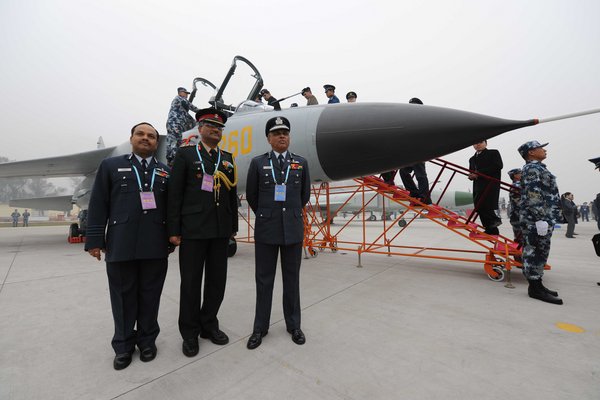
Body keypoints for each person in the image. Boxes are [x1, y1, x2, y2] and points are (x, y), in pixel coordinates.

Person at [85, 122, 171, 370]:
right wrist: (94, 241)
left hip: (155, 245)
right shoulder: (111, 166)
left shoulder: (165, 171)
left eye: (151, 136)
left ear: (156, 142)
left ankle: (147, 341)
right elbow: (98, 203)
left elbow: (171, 210)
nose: (146, 139)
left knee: (150, 296)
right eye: (141, 134)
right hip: (121, 245)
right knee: (122, 298)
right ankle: (122, 345)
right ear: (132, 138)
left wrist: (172, 238)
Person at [167, 107, 238, 357]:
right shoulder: (186, 155)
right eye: (210, 125)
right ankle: (189, 333)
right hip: (193, 231)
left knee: (217, 283)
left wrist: (232, 229)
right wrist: (173, 230)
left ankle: (209, 325)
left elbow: (231, 197)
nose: (215, 130)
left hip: (219, 231)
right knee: (191, 284)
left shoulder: (227, 158)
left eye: (219, 127)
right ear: (200, 129)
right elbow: (174, 195)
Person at [245, 116, 311, 350]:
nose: (282, 136)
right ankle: (260, 328)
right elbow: (252, 196)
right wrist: (268, 214)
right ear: (269, 139)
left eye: (285, 132)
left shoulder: (300, 163)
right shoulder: (257, 163)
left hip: (292, 230)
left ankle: (294, 325)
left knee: (292, 280)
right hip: (267, 229)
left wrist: (287, 214)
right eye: (276, 133)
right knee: (264, 281)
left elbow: (304, 196)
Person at [517, 140, 563, 305]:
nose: (544, 150)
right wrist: (540, 218)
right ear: (531, 152)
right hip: (535, 219)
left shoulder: (539, 168)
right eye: (540, 148)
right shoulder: (532, 169)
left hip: (543, 217)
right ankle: (534, 287)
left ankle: (538, 284)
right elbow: (533, 195)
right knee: (534, 251)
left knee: (541, 251)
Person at [399, 98, 431, 204]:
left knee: (420, 175)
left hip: (419, 152)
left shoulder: (424, 119)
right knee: (403, 171)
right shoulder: (408, 119)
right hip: (409, 152)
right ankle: (414, 192)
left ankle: (425, 197)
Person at [468, 140, 503, 235]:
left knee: (486, 205)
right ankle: (491, 229)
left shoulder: (493, 153)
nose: (478, 144)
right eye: (475, 142)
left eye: (480, 142)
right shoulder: (472, 159)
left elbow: (498, 166)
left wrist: (478, 174)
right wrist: (470, 176)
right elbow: (471, 171)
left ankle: (494, 224)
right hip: (477, 185)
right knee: (478, 206)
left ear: (486, 143)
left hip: (489, 184)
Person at [166, 87, 200, 166]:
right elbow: (192, 107)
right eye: (185, 93)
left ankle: (175, 159)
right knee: (173, 140)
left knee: (178, 141)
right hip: (174, 123)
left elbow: (188, 117)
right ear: (180, 92)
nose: (187, 95)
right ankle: (172, 159)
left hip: (178, 124)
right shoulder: (179, 99)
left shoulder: (182, 109)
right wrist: (203, 112)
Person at [507, 168, 523, 246]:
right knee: (521, 240)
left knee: (518, 238)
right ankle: (519, 257)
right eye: (520, 173)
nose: (522, 175)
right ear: (515, 176)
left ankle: (518, 256)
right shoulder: (517, 185)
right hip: (519, 215)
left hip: (516, 215)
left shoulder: (515, 185)